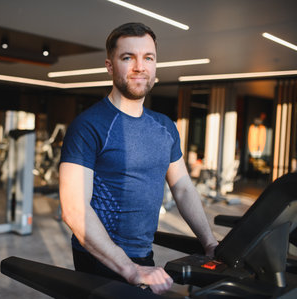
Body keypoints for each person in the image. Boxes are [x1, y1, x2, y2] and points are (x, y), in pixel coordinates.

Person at [59, 22, 218, 295]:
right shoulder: (89, 126)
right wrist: (129, 269)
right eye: (127, 57)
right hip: (99, 258)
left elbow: (182, 188)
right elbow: (74, 210)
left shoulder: (165, 126)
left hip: (143, 255)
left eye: (148, 58)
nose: (139, 67)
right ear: (110, 66)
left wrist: (210, 243)